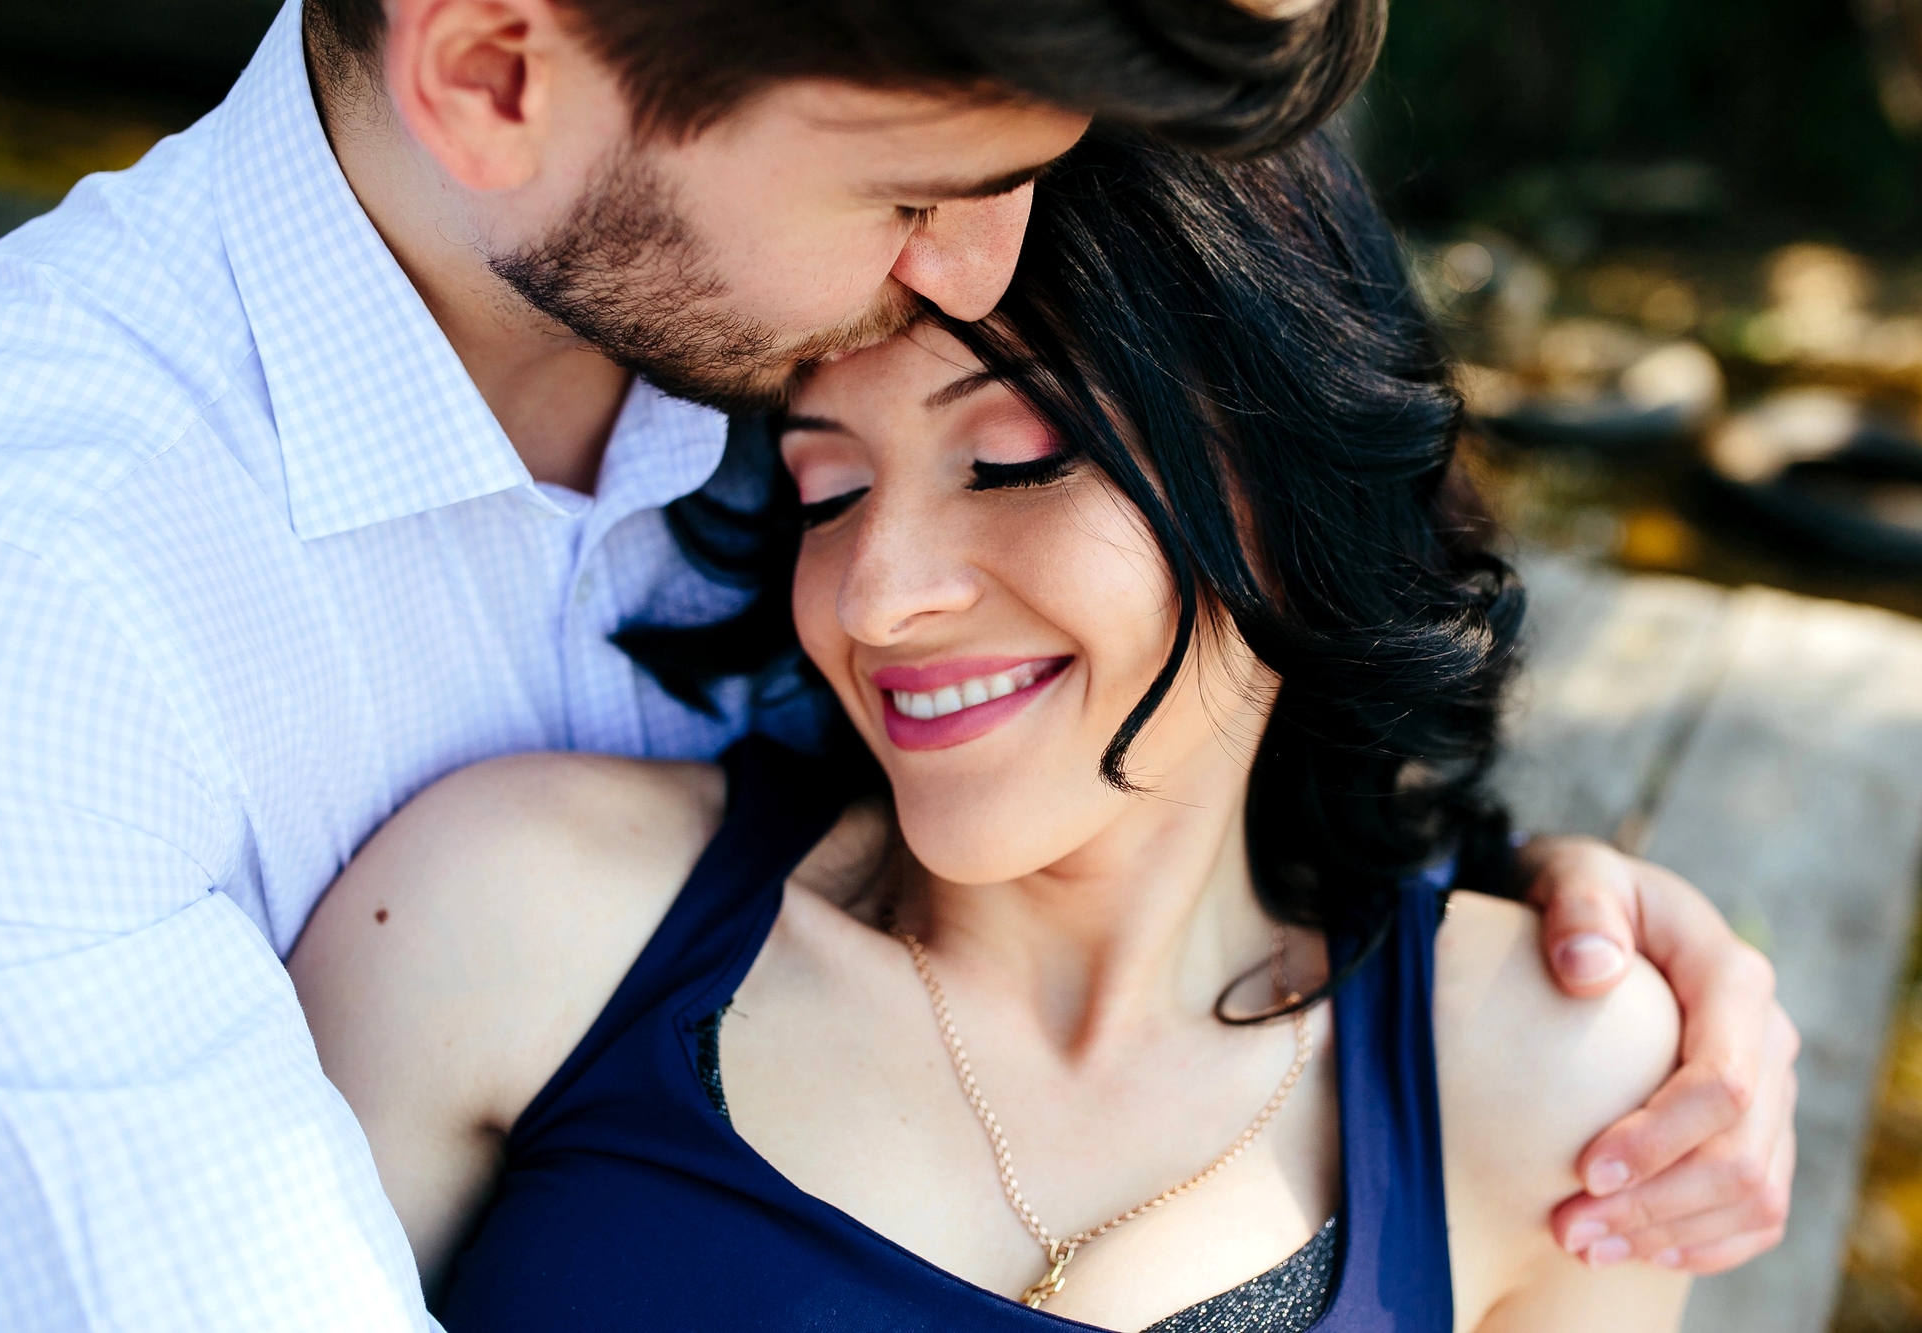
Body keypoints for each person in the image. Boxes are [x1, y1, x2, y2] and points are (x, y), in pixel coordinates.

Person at [0, 0, 1790, 1328]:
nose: (980, 265)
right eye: (917, 188)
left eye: (1005, 449)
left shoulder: (722, 289)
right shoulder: (21, 608)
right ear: (497, 73)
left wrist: (1546, 939)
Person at [291, 130, 1712, 1331]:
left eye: (1018, 460)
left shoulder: (1551, 1081)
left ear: (1289, 488)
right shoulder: (511, 913)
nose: (882, 598)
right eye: (828, 489)